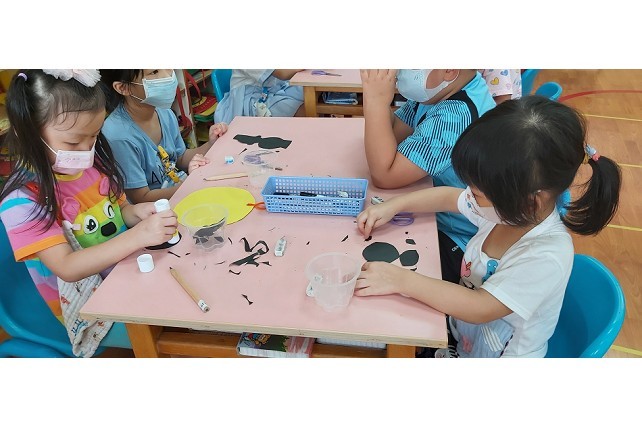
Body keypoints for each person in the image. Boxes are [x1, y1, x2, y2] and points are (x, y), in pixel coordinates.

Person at [355, 96, 621, 357]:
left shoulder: (546, 254)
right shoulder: (507, 210)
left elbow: (480, 306)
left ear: (530, 201)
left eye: (477, 193)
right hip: (465, 337)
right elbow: (448, 197)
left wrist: (400, 280)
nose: (470, 196)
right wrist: (394, 206)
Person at [0, 69, 179, 351]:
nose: (86, 150)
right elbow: (67, 267)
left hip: (124, 274)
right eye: (73, 142)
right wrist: (137, 236)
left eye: (94, 136)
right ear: (29, 131)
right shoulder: (22, 202)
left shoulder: (90, 165)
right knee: (178, 318)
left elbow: (120, 210)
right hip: (90, 307)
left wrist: (138, 213)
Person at [360, 69, 496, 283]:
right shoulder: (436, 92)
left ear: (449, 71)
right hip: (436, 212)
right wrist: (378, 98)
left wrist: (375, 100)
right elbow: (394, 134)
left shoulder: (455, 115)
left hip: (461, 240)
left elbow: (385, 175)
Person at [99, 69, 228, 204]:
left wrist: (211, 143)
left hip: (182, 190)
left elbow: (180, 158)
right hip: (156, 208)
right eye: (154, 72)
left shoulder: (164, 112)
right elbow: (141, 198)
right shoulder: (118, 136)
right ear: (123, 88)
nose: (167, 76)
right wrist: (191, 186)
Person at [213, 69, 305, 124]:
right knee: (303, 107)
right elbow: (283, 73)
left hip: (273, 90)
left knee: (305, 91)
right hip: (249, 102)